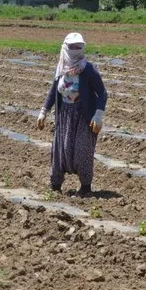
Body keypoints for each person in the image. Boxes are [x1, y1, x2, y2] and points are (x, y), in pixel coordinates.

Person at [37, 33, 107, 198]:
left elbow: (102, 93)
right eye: (72, 47)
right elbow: (54, 91)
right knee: (59, 150)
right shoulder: (61, 68)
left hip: (84, 117)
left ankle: (85, 187)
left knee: (82, 150)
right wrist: (43, 112)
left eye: (79, 46)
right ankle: (55, 185)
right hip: (64, 116)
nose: (76, 50)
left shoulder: (88, 69)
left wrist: (98, 115)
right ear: (65, 48)